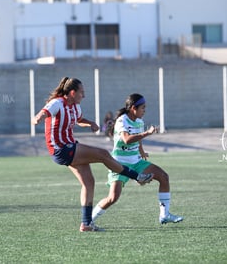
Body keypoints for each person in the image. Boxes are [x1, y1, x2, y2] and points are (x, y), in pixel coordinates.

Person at [32, 77, 153, 232]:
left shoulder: (75, 107)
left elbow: (79, 119)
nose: (84, 95)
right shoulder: (57, 103)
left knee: (89, 183)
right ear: (73, 92)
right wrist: (38, 118)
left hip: (70, 147)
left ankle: (86, 224)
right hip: (61, 149)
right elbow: (43, 113)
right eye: (82, 92)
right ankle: (137, 176)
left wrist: (90, 123)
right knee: (103, 154)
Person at [91, 93, 184, 226]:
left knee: (164, 177)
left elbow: (137, 139)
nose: (144, 111)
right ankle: (89, 220)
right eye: (143, 108)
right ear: (133, 108)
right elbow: (127, 139)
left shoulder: (139, 122)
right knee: (112, 198)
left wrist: (141, 152)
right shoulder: (122, 120)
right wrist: (147, 133)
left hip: (136, 161)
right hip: (119, 163)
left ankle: (164, 214)